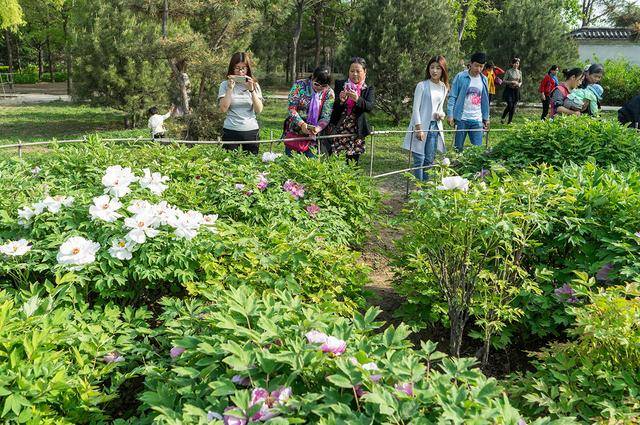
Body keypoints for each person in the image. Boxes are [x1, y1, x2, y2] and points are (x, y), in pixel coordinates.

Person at [403, 55, 449, 181]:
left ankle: (426, 190)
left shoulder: (443, 87)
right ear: (428, 69)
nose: (434, 71)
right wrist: (419, 128)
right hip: (421, 126)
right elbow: (415, 109)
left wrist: (441, 115)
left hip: (434, 127)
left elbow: (440, 109)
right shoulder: (422, 86)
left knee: (429, 159)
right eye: (432, 67)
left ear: (443, 70)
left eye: (438, 68)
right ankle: (419, 189)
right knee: (419, 159)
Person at [329, 57, 375, 164]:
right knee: (336, 162)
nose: (354, 74)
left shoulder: (368, 88)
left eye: (358, 71)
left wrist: (358, 99)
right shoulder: (341, 84)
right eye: (352, 71)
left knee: (352, 163)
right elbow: (334, 107)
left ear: (365, 72)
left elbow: (369, 106)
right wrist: (340, 101)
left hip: (356, 131)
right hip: (340, 128)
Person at [283, 65, 335, 158]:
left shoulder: (329, 93)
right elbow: (292, 108)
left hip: (314, 138)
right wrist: (302, 124)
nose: (319, 88)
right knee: (290, 165)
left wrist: (317, 128)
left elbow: (326, 116)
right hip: (295, 133)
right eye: (316, 84)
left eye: (323, 86)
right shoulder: (300, 85)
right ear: (312, 77)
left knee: (311, 167)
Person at [218, 52, 264, 155]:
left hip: (251, 130)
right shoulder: (225, 85)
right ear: (232, 68)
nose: (240, 72)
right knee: (228, 165)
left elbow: (258, 110)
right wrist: (230, 88)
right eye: (237, 68)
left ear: (248, 69)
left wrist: (251, 91)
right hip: (230, 130)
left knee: (251, 165)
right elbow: (223, 109)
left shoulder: (254, 85)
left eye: (244, 68)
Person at [447, 51, 490, 152]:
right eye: (476, 66)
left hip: (477, 119)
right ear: (470, 64)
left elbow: (485, 101)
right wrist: (450, 114)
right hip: (461, 118)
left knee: (478, 150)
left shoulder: (484, 80)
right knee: (458, 149)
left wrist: (486, 117)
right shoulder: (460, 77)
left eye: (481, 66)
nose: (478, 69)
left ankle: (476, 168)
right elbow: (452, 96)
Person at [501, 58, 522, 124]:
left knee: (513, 106)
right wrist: (511, 82)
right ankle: (503, 117)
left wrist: (519, 84)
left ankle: (510, 121)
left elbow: (521, 81)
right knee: (510, 105)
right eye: (515, 63)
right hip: (509, 90)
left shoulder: (520, 72)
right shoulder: (508, 71)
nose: (516, 64)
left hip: (516, 90)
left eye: (517, 63)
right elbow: (503, 80)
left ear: (518, 64)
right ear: (512, 64)